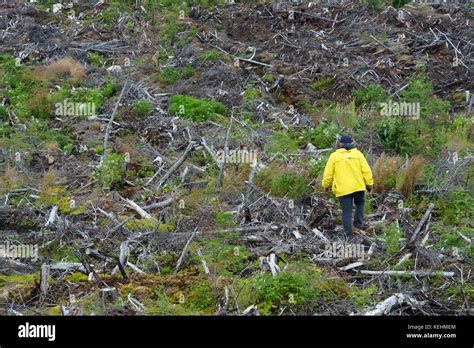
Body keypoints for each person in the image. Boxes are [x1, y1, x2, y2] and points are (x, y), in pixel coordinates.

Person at [321, 135, 374, 241]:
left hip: (343, 189)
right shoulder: (358, 154)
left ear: (340, 144)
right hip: (358, 187)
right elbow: (367, 171)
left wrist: (325, 186)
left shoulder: (334, 156)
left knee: (347, 212)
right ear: (352, 143)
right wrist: (369, 185)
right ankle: (358, 225)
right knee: (360, 204)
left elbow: (328, 174)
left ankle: (348, 235)